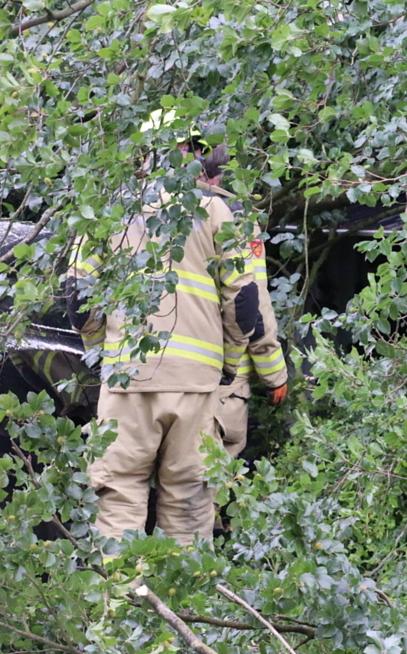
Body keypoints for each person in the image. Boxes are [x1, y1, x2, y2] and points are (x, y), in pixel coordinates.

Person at [65, 139, 259, 547]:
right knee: (189, 504)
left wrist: (104, 353)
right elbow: (243, 303)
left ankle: (121, 603)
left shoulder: (109, 208)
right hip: (197, 385)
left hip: (127, 380)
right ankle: (181, 607)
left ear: (144, 154)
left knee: (118, 499)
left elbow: (78, 296)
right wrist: (228, 365)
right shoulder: (216, 211)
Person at [197, 159, 289, 459]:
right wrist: (274, 374)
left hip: (161, 377)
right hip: (224, 375)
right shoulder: (236, 219)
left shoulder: (163, 213)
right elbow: (252, 302)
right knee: (209, 479)